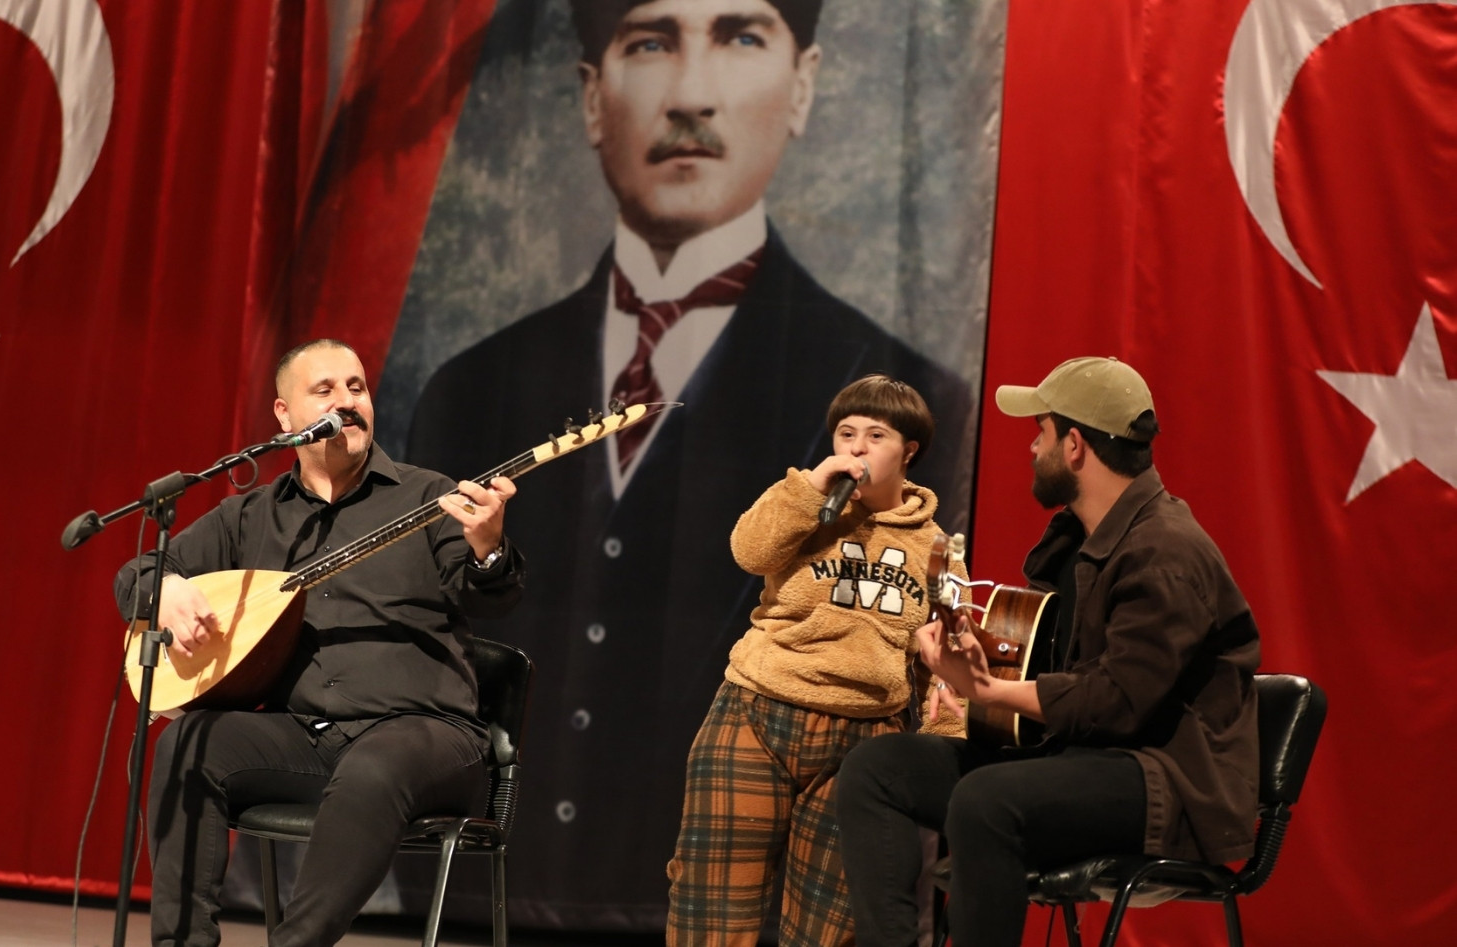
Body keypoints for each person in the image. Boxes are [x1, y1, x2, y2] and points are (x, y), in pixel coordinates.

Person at [401, 0, 974, 923]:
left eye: (741, 37)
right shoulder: (470, 385)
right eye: (650, 42)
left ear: (803, 85)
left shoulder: (909, 384)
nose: (691, 95)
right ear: (592, 98)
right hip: (520, 881)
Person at [834, 356, 1262, 947]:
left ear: (1076, 446)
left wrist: (987, 689)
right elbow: (1045, 660)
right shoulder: (1079, 541)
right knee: (877, 770)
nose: (1033, 448)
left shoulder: (1167, 551)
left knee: (986, 802)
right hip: (1077, 755)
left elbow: (1116, 701)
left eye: (1042, 433)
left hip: (1165, 781)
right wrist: (971, 654)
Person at [113, 339, 525, 947]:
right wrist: (165, 588)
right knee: (187, 744)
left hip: (428, 739)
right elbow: (135, 573)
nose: (348, 402)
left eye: (356, 388)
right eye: (326, 391)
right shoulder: (250, 518)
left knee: (374, 767)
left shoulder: (427, 496)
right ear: (284, 418)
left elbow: (491, 595)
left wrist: (489, 546)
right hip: (307, 738)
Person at [665, 375, 967, 947]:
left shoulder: (936, 549)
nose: (855, 447)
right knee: (712, 907)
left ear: (910, 452)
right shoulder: (806, 506)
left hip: (862, 741)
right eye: (845, 433)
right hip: (756, 714)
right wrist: (807, 493)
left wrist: (944, 740)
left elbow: (944, 660)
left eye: (875, 435)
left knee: (830, 927)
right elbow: (748, 552)